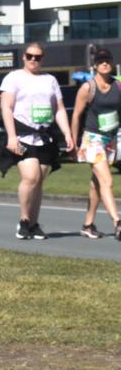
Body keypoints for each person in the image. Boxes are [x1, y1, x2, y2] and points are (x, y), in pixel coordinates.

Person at [0, 43, 73, 240]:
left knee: (39, 181)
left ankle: (33, 223)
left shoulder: (50, 80)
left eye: (38, 57)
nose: (33, 60)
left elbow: (58, 109)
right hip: (23, 135)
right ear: (23, 56)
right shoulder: (14, 78)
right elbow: (6, 107)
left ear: (42, 59)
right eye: (30, 56)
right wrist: (11, 136)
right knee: (30, 177)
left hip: (45, 136)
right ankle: (24, 220)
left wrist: (67, 133)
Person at [70, 47, 121, 239]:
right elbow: (76, 115)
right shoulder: (88, 88)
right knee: (107, 181)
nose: (105, 63)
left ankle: (88, 224)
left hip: (111, 139)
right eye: (101, 61)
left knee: (97, 184)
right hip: (93, 139)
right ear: (95, 65)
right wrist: (73, 142)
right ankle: (118, 222)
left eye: (107, 60)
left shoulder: (118, 86)